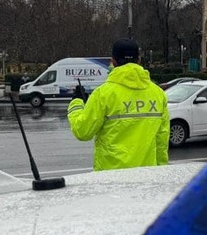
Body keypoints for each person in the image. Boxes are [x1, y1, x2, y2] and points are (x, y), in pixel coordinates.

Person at [67, 38, 169, 171]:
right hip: (147, 176)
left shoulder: (103, 94)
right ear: (139, 60)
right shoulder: (158, 94)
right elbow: (162, 140)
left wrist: (76, 103)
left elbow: (82, 131)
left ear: (113, 61)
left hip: (111, 178)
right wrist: (161, 171)